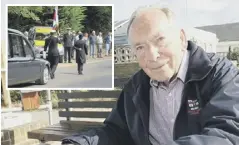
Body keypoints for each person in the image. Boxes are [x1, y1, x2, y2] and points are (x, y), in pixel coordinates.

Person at [62, 6, 239, 145]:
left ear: (182, 38)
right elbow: (115, 131)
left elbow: (227, 134)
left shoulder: (219, 74)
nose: (152, 55)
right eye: (140, 47)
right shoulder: (136, 87)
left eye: (159, 40)